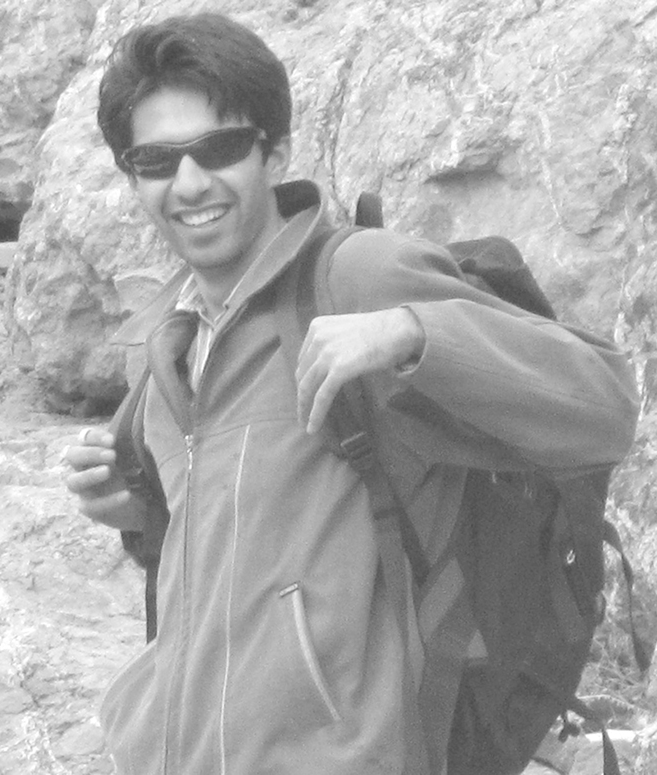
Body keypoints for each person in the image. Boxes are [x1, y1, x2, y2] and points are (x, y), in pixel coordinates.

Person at [65, 12, 638, 775]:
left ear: (275, 152)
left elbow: (605, 404)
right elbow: (253, 543)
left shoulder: (357, 278)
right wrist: (137, 511)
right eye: (157, 160)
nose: (191, 182)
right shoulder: (170, 345)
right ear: (131, 176)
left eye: (220, 148)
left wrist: (412, 332)